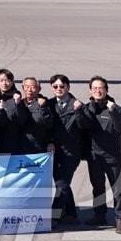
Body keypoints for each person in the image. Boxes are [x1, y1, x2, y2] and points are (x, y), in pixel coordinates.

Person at [82, 76, 121, 233]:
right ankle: (99, 215)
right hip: (94, 156)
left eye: (100, 88)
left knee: (117, 189)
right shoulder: (87, 108)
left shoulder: (115, 108)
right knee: (97, 187)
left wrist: (113, 111)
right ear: (90, 90)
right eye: (94, 88)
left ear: (106, 90)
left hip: (112, 157)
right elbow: (82, 126)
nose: (97, 90)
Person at [47, 73, 85, 227]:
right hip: (54, 152)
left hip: (71, 152)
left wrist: (79, 111)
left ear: (68, 87)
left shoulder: (76, 105)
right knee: (61, 183)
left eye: (62, 86)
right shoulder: (49, 104)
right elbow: (46, 126)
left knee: (61, 184)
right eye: (55, 86)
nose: (59, 89)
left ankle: (54, 216)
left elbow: (84, 126)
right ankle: (71, 214)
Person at [0, 69, 24, 155]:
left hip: (15, 144)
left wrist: (18, 104)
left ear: (12, 82)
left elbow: (22, 120)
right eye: (1, 80)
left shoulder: (17, 98)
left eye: (8, 80)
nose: (4, 83)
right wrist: (0, 110)